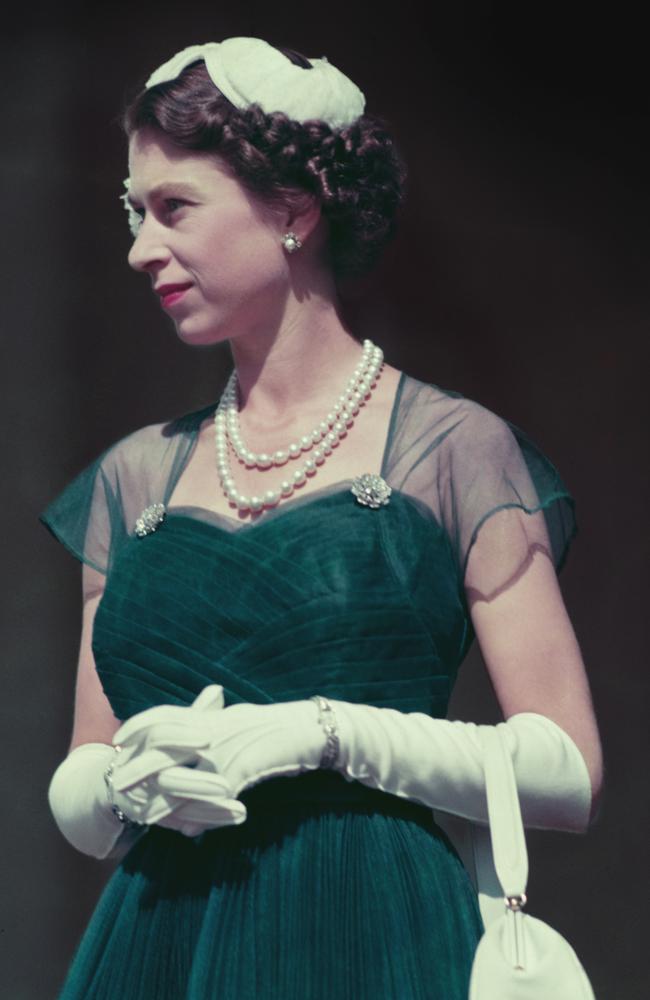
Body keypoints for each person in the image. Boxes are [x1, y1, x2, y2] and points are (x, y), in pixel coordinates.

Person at [40, 37, 604, 999]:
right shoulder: (134, 477)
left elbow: (566, 774)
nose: (140, 248)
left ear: (294, 209)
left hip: (371, 933)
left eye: (174, 208)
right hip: (160, 944)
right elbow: (84, 792)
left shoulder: (453, 449)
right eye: (135, 213)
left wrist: (329, 734)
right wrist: (127, 783)